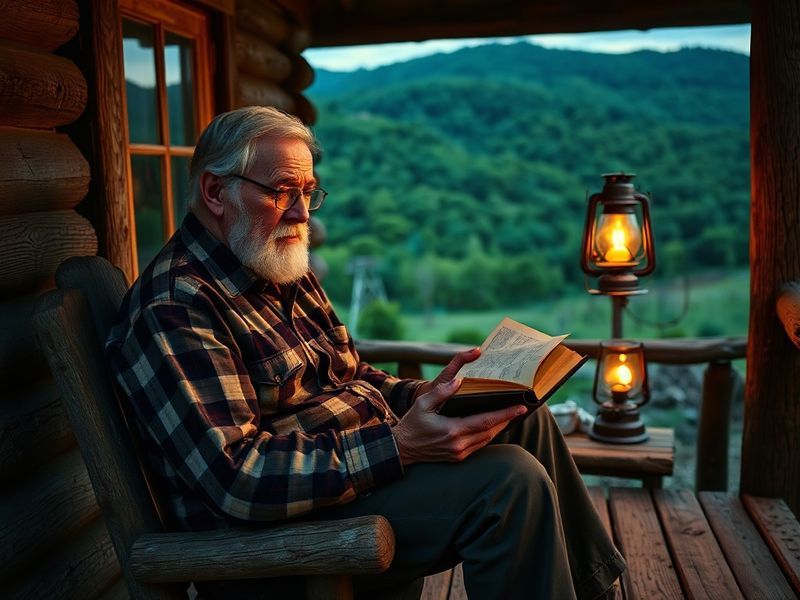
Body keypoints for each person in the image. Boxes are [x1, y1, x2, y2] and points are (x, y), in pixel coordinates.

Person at [106, 106, 626, 599]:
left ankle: (593, 592)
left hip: (347, 479)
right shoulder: (176, 306)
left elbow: (352, 376)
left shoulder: (275, 264)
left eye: (309, 191)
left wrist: (435, 395)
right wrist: (401, 446)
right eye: (282, 190)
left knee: (523, 420)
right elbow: (239, 479)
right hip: (276, 539)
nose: (301, 211)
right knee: (510, 483)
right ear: (216, 191)